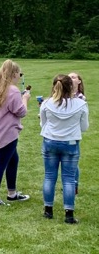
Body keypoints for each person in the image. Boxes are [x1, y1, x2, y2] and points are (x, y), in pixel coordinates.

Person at [40, 74, 89, 223]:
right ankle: (69, 214)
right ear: (71, 87)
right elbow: (84, 127)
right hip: (70, 143)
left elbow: (43, 123)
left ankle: (48, 211)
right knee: (68, 179)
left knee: (49, 176)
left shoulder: (47, 103)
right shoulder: (80, 104)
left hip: (50, 141)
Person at [0, 59, 32, 205]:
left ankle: (12, 193)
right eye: (19, 73)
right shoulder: (13, 90)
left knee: (13, 159)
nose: (19, 76)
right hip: (7, 133)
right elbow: (21, 112)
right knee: (0, 163)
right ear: (13, 74)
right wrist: (25, 98)